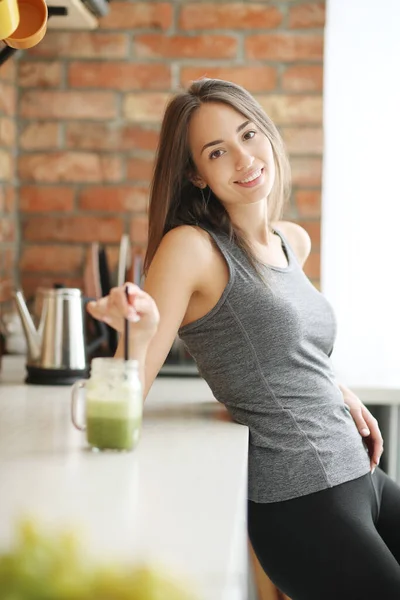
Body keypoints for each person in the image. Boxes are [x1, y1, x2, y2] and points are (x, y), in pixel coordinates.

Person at [87, 78, 400, 599]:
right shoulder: (191, 249)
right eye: (217, 151)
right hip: (303, 500)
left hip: (359, 473)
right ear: (196, 174)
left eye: (248, 134)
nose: (244, 158)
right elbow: (125, 396)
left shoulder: (289, 241)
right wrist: (136, 335)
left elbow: (281, 348)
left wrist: (334, 389)